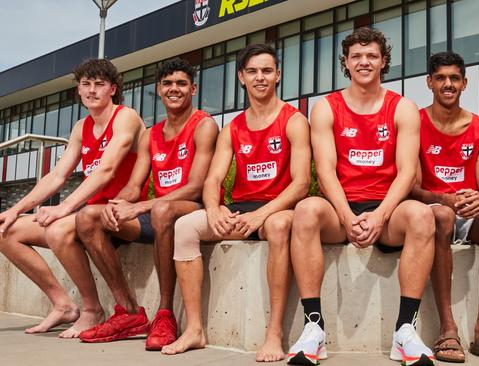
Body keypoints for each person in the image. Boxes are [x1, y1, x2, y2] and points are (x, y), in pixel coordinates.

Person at [287, 27, 436, 366]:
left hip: (386, 212)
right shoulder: (326, 107)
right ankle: (314, 328)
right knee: (307, 209)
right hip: (342, 209)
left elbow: (407, 173)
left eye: (372, 55)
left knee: (423, 215)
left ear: (384, 61)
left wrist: (380, 215)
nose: (364, 61)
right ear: (346, 63)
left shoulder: (403, 108)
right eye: (357, 56)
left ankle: (405, 331)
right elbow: (324, 171)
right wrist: (346, 216)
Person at [161, 44, 311, 363]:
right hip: (241, 209)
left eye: (267, 71)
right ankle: (195, 329)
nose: (260, 78)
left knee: (281, 225)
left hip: (276, 208)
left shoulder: (294, 120)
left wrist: (261, 215)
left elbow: (301, 183)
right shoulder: (233, 128)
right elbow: (213, 180)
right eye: (253, 72)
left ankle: (274, 333)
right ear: (241, 77)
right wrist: (214, 208)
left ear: (278, 75)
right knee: (186, 226)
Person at [73, 58, 218, 350]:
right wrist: (117, 204)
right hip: (156, 216)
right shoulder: (150, 134)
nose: (173, 89)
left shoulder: (204, 125)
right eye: (167, 84)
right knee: (88, 217)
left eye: (181, 83)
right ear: (159, 89)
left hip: (191, 211)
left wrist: (140, 207)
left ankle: (164, 314)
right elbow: (133, 186)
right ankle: (128, 312)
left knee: (162, 210)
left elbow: (195, 187)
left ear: (193, 88)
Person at [0, 59, 145, 338]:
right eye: (86, 84)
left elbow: (107, 170)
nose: (92, 91)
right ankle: (63, 305)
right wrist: (16, 209)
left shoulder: (125, 116)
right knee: (6, 231)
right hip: (88, 214)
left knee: (57, 227)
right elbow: (56, 176)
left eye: (99, 84)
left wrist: (63, 208)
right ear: (78, 89)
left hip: (119, 213)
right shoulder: (81, 127)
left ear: (113, 89)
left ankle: (92, 310)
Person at [411, 51, 479, 363]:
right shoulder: (414, 121)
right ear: (429, 82)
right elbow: (412, 186)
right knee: (441, 215)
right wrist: (443, 200)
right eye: (440, 77)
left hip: (469, 214)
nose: (447, 84)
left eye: (454, 78)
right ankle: (447, 327)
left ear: (465, 83)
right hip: (434, 211)